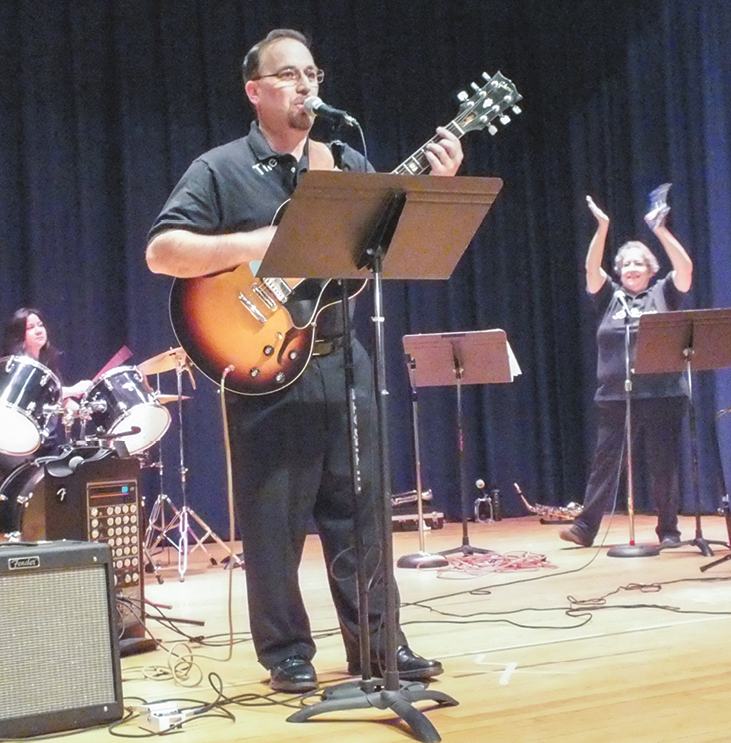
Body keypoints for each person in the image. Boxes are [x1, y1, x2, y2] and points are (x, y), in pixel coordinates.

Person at [146, 29, 464, 693]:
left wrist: (436, 186)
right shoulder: (219, 168)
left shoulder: (342, 160)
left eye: (311, 73)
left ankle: (378, 641)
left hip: (341, 353)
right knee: (272, 519)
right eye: (287, 75)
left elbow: (376, 257)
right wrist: (254, 243)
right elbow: (164, 251)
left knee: (365, 511)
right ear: (254, 91)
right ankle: (286, 651)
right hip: (260, 363)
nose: (304, 85)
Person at [560, 192, 693, 549]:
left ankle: (669, 530)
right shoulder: (609, 297)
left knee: (663, 466)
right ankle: (585, 528)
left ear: (651, 270)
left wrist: (661, 232)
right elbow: (591, 268)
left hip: (663, 393)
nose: (632, 268)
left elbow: (686, 270)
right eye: (626, 264)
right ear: (619, 271)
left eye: (639, 263)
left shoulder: (665, 293)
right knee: (604, 465)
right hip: (615, 396)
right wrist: (602, 228)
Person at [0, 308, 92, 504]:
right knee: (33, 483)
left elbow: (60, 400)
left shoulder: (47, 365)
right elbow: (35, 396)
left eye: (40, 325)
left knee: (75, 468)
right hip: (15, 445)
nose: (39, 330)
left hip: (46, 443)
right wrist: (73, 389)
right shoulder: (16, 366)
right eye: (30, 327)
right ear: (19, 335)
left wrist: (81, 410)